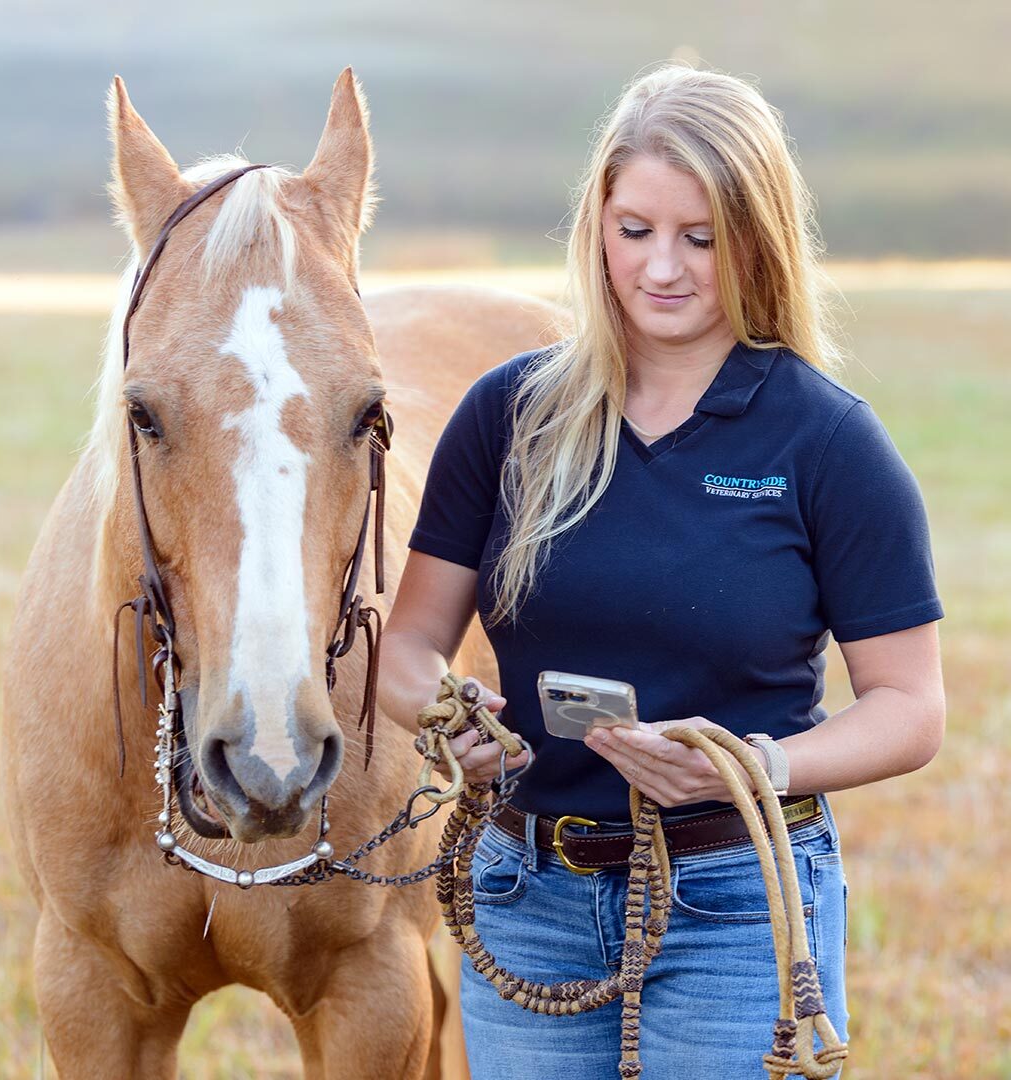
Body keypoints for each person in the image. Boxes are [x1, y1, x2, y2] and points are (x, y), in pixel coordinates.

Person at [377, 63, 945, 1080]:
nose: (663, 269)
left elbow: (910, 708)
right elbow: (408, 646)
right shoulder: (508, 417)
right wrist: (449, 718)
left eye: (701, 237)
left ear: (756, 238)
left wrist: (756, 764)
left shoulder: (829, 443)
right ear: (596, 224)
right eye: (634, 230)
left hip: (734, 893)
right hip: (527, 891)